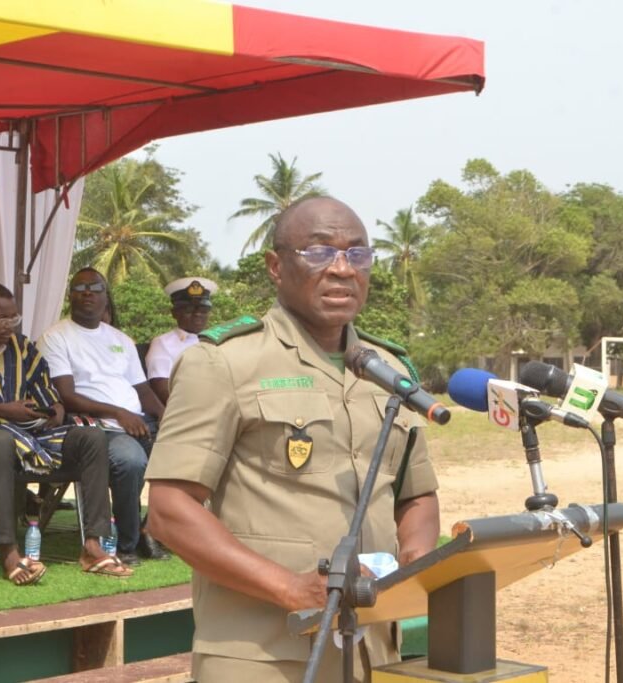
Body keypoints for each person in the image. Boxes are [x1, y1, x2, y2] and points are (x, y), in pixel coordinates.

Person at [145, 197, 440, 682]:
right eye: (320, 253)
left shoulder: (388, 370)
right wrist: (291, 588)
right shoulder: (222, 363)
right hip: (263, 653)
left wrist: (416, 562)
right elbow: (170, 511)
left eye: (357, 255)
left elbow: (416, 493)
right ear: (276, 267)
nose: (343, 269)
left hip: (374, 649)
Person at [0, 282, 131, 584]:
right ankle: (8, 549)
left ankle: (93, 545)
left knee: (91, 437)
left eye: (14, 318)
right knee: (0, 439)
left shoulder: (23, 348)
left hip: (28, 434)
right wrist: (2, 410)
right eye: (1, 318)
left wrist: (55, 410)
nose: (9, 325)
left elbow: (45, 392)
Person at [37, 268, 168, 567]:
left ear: (105, 296)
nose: (87, 292)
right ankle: (126, 545)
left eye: (95, 287)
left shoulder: (120, 338)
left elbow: (144, 391)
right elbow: (66, 395)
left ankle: (152, 529)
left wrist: (171, 418)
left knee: (189, 453)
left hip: (137, 422)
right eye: (80, 287)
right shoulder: (56, 337)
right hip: (98, 428)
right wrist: (119, 414)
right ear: (70, 295)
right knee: (130, 461)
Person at [145, 277, 218, 405]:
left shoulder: (218, 339)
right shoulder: (163, 343)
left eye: (203, 310)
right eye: (190, 310)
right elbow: (161, 389)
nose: (198, 314)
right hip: (192, 409)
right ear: (174, 313)